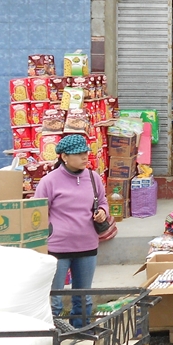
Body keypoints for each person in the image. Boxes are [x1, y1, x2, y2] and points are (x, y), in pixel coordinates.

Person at [33, 134, 108, 327]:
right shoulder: (49, 181)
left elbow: (103, 202)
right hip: (57, 249)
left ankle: (81, 333)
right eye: (79, 154)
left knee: (83, 298)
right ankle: (52, 335)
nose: (85, 157)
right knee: (54, 298)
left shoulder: (94, 178)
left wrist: (102, 212)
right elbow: (37, 213)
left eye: (86, 153)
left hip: (87, 246)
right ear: (64, 157)